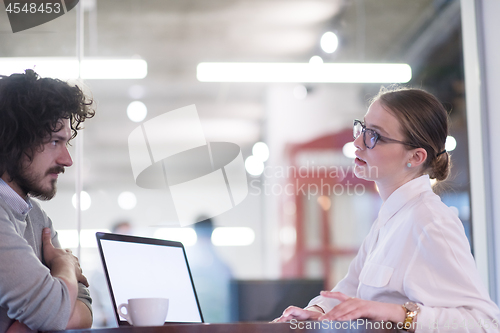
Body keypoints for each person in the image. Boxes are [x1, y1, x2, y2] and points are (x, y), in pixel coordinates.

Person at [274, 87, 500, 332]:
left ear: (415, 157)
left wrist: (397, 313)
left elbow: (485, 323)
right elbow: (350, 289)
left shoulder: (431, 221)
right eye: (362, 129)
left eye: (375, 136)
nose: (357, 142)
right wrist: (316, 311)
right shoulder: (391, 217)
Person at [0, 70, 95, 332]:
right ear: (13, 142)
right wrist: (64, 265)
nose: (67, 160)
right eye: (55, 141)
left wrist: (27, 324)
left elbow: (84, 303)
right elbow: (57, 315)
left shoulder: (36, 216)